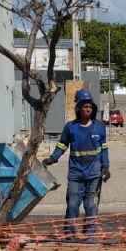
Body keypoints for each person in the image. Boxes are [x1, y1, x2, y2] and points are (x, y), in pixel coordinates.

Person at [43, 89, 110, 242]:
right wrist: (53, 158)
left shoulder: (99, 127)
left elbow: (104, 149)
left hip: (94, 173)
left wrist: (106, 167)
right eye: (85, 106)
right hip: (75, 173)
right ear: (78, 108)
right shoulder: (70, 127)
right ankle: (69, 234)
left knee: (90, 205)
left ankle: (90, 234)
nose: (88, 109)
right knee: (73, 204)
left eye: (90, 107)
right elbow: (62, 145)